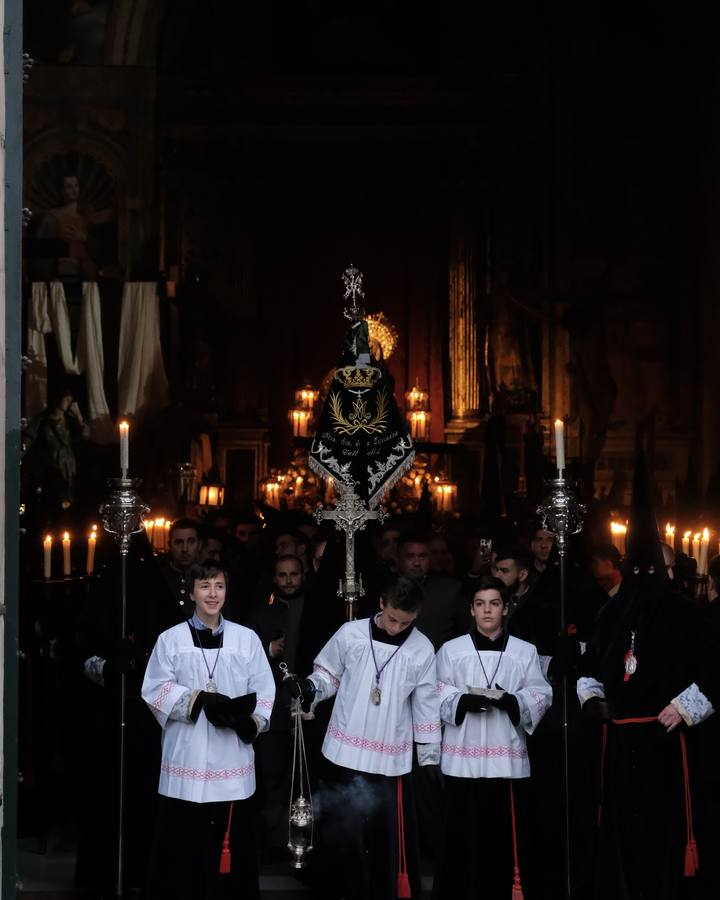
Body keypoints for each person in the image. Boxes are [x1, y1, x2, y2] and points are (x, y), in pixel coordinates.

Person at [577, 452, 718, 900]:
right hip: (620, 746)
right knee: (620, 835)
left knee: (664, 835)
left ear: (665, 570)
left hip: (665, 744)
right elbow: (588, 665)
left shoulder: (688, 615)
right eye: (634, 569)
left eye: (649, 569)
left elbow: (715, 668)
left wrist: (684, 705)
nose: (641, 577)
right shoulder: (610, 612)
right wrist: (592, 698)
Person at [288, 574, 441, 900]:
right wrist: (310, 688)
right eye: (392, 619)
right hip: (345, 750)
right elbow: (328, 674)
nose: (396, 628)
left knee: (382, 842)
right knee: (343, 835)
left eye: (405, 623)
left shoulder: (423, 648)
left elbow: (427, 703)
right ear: (381, 604)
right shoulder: (351, 634)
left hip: (390, 759)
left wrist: (429, 759)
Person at [141, 561, 275, 900]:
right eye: (204, 586)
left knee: (229, 846)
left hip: (231, 755)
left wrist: (252, 722)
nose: (212, 593)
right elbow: (154, 688)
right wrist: (198, 700)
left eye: (218, 585)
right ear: (190, 593)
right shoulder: (170, 640)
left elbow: (265, 688)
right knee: (183, 846)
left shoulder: (246, 639)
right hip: (188, 751)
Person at [434, 576, 551, 899]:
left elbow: (541, 691)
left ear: (506, 608)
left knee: (502, 838)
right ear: (471, 609)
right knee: (463, 838)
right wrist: (461, 701)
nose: (488, 611)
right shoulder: (451, 650)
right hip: (463, 758)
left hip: (506, 760)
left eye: (495, 604)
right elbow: (436, 691)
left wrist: (514, 701)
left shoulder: (524, 651)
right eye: (481, 604)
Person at [247, 554, 307, 854]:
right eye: (282, 575)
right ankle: (273, 846)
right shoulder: (261, 614)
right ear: (274, 578)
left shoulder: (311, 611)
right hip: (274, 713)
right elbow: (247, 658)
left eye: (293, 574)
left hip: (307, 710)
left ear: (303, 574)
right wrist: (269, 649)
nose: (288, 580)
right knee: (272, 779)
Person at [396, 532, 467, 652]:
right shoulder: (388, 589)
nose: (417, 563)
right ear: (399, 559)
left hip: (440, 662)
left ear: (430, 558)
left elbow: (464, 631)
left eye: (423, 556)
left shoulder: (451, 589)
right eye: (410, 556)